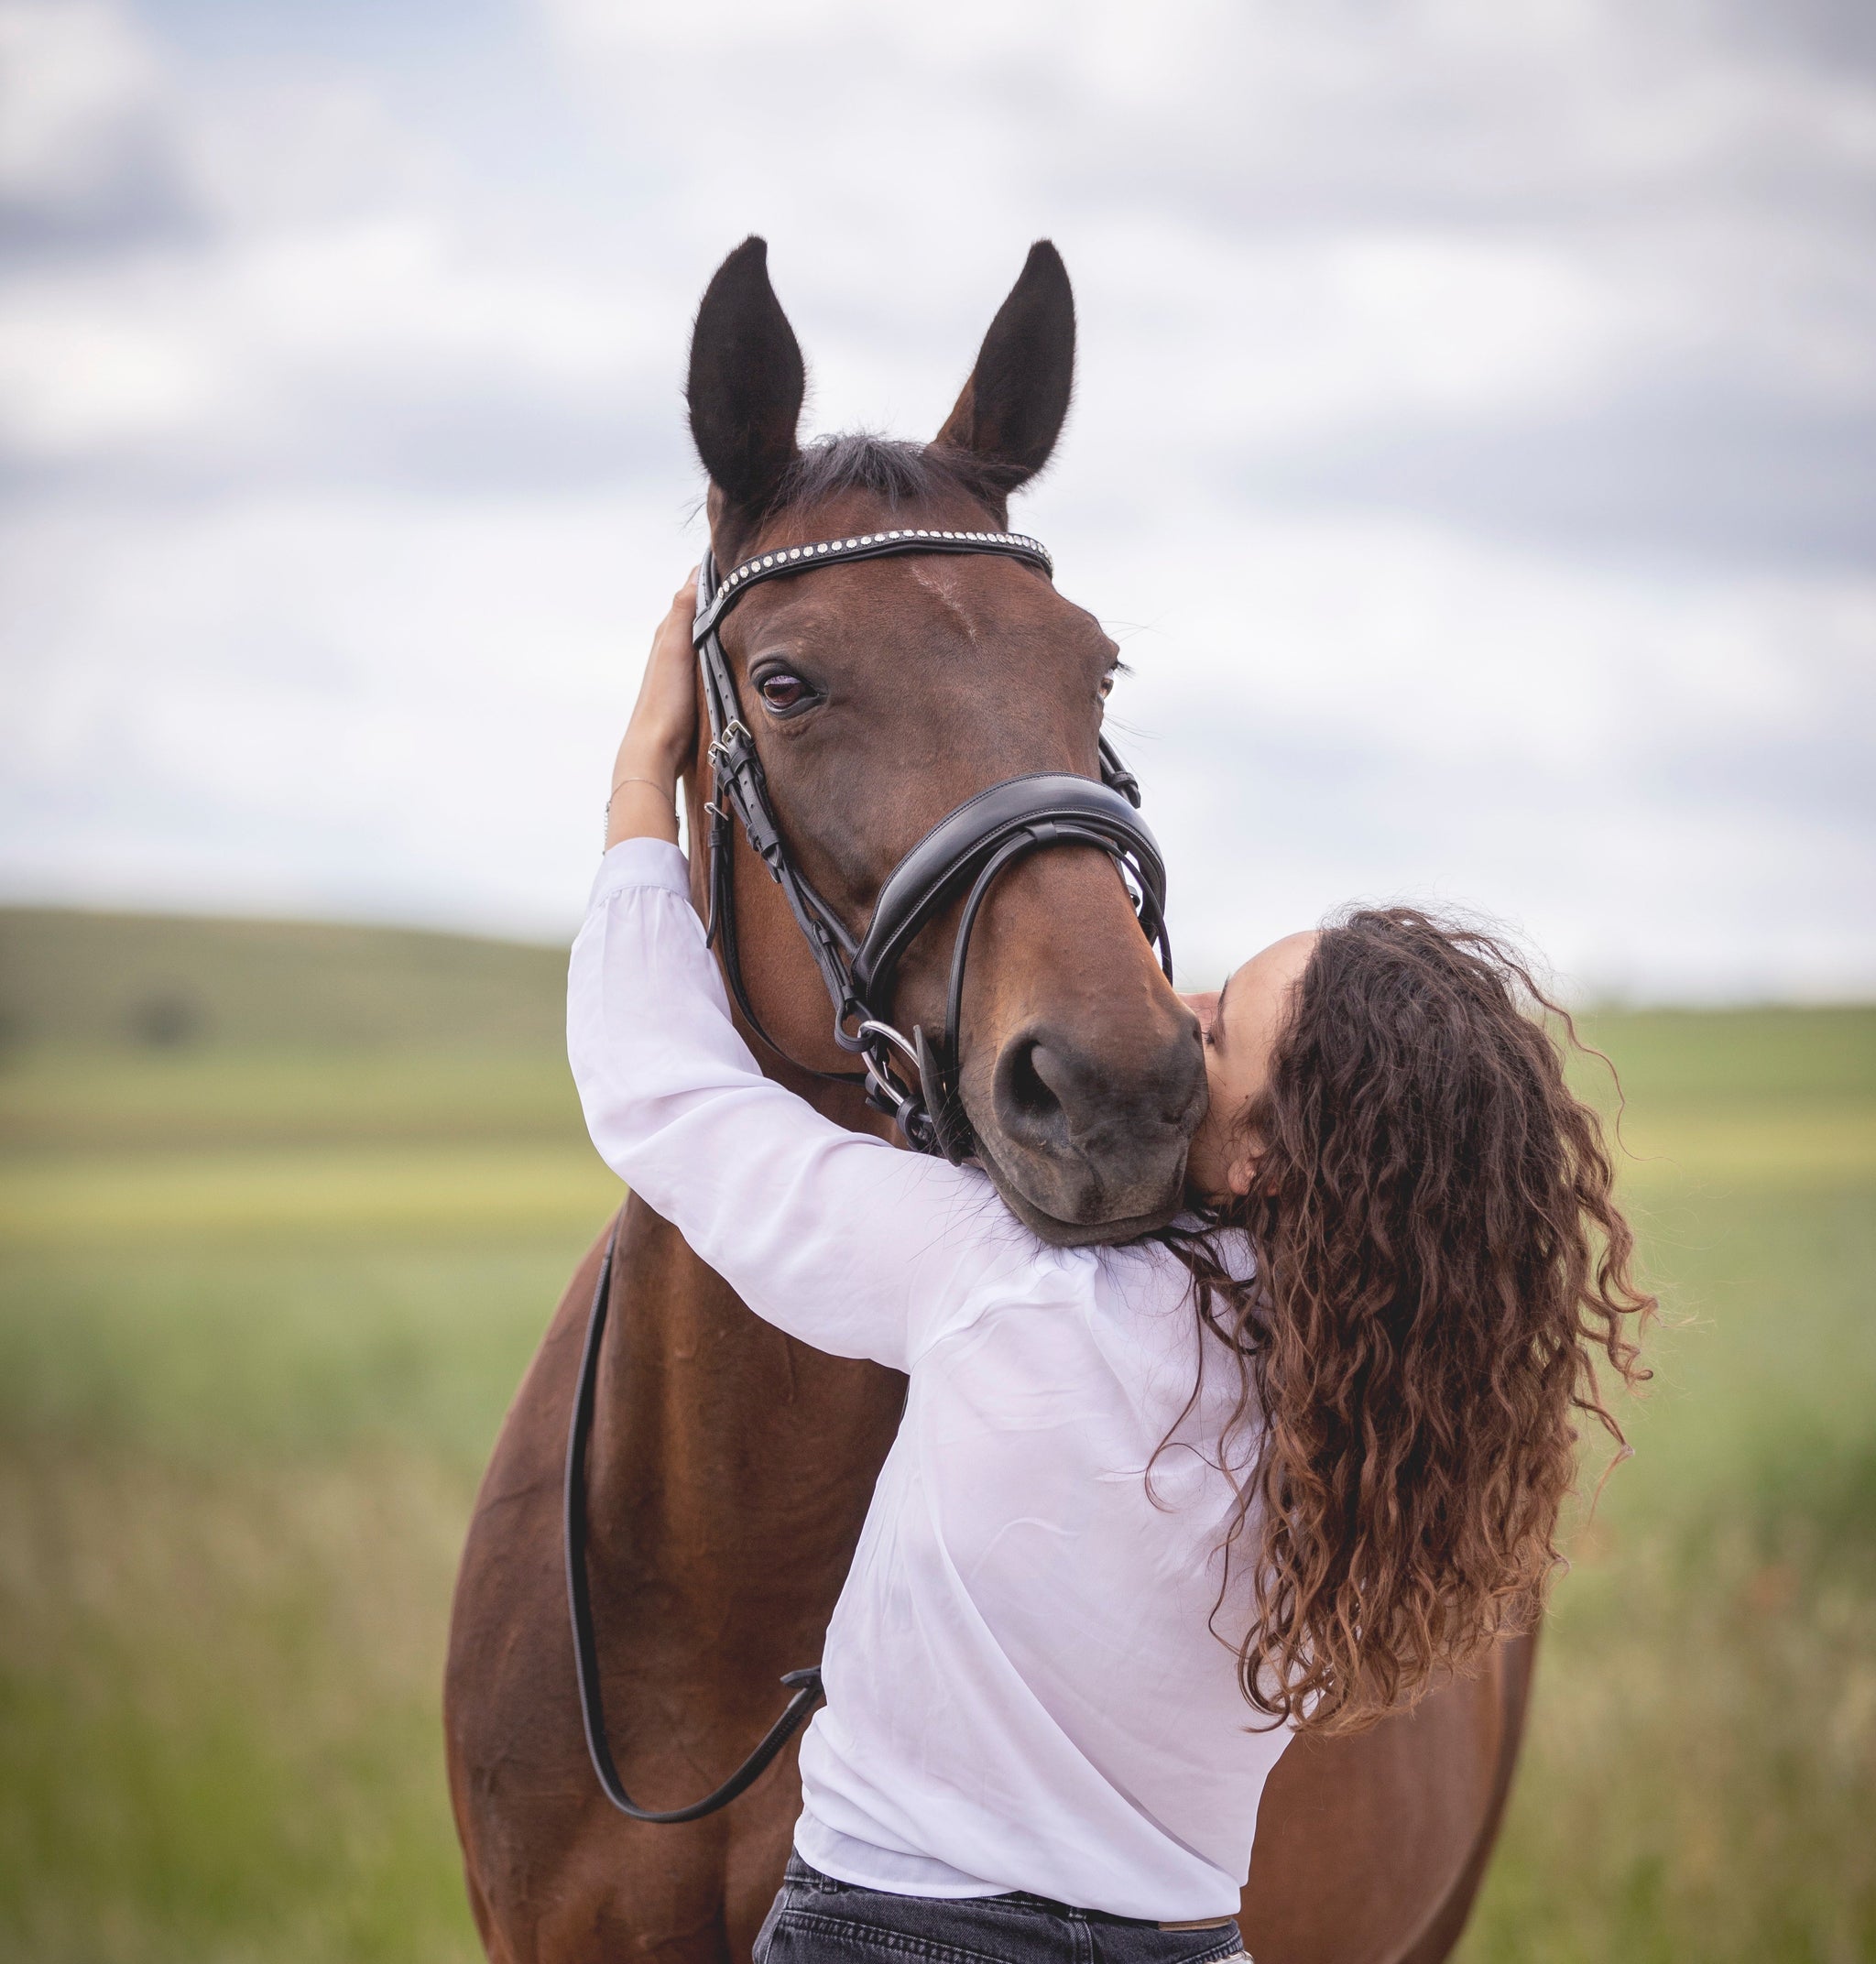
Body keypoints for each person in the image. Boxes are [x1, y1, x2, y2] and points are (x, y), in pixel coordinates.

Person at [569, 576, 1652, 1964]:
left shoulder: (1011, 1288)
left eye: (1214, 1035)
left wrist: (636, 800)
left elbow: (668, 1099)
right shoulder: (1368, 1424)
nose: (1170, 1007)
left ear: (1262, 1162)